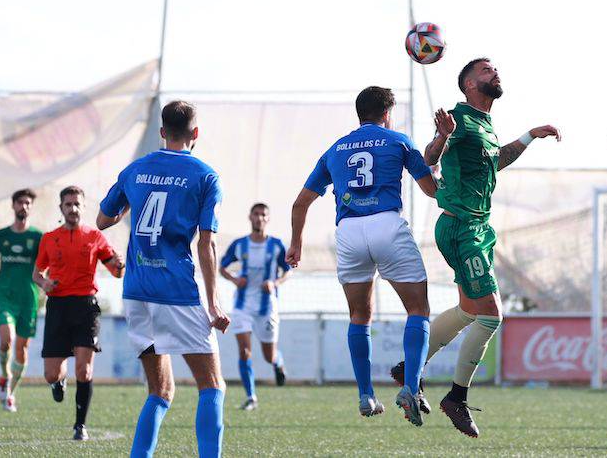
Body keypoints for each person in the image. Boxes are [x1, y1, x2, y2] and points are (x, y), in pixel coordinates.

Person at [390, 58, 561, 438]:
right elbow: (428, 159)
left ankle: (409, 369)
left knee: (470, 310)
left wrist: (529, 136)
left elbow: (494, 162)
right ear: (468, 84)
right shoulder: (459, 118)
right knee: (492, 315)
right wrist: (442, 136)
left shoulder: (484, 123)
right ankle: (456, 397)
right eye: (485, 71)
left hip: (478, 227)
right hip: (462, 227)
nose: (494, 73)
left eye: (495, 69)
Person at [286, 86, 442, 426]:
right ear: (387, 113)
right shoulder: (398, 140)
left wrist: (296, 243)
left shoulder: (336, 148)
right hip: (386, 224)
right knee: (418, 309)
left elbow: (300, 203)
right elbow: (430, 189)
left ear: (360, 114)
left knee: (359, 315)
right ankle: (411, 388)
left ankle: (366, 395)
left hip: (349, 232)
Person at [97, 100, 230, 458]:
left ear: (161, 132)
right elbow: (207, 244)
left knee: (159, 391)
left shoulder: (135, 170)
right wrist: (214, 303)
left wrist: (129, 204)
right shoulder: (206, 176)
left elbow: (102, 220)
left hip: (137, 291)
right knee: (212, 386)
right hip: (176, 292)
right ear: (195, 134)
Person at [33, 186, 124, 440]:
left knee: (84, 371)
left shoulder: (95, 237)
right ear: (61, 208)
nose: (73, 208)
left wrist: (120, 265)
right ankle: (57, 383)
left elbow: (116, 271)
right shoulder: (50, 238)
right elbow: (37, 274)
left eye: (77, 204)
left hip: (85, 307)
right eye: (68, 204)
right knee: (52, 372)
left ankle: (79, 425)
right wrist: (44, 283)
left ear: (83, 207)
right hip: (58, 307)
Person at [220, 202, 291, 411]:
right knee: (244, 351)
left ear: (267, 219)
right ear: (250, 217)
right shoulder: (239, 244)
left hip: (267, 307)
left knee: (269, 356)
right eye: (256, 214)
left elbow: (288, 270)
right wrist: (234, 280)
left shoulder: (277, 245)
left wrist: (275, 283)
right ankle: (251, 397)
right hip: (242, 306)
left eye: (263, 215)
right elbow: (221, 267)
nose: (259, 218)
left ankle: (278, 362)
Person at [0, 188, 42, 412]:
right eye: (20, 202)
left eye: (27, 203)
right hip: (4, 296)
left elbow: (46, 265)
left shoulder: (37, 237)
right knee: (6, 339)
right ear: (13, 205)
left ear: (30, 207)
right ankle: (4, 375)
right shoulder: (2, 236)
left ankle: (10, 393)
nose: (24, 206)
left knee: (21, 350)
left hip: (28, 299)